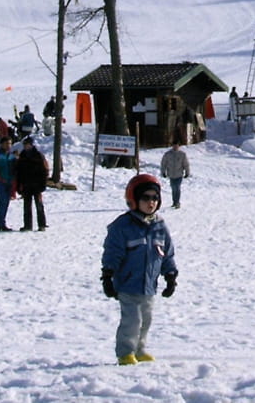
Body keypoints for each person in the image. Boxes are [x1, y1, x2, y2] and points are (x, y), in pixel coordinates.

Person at [102, 174, 179, 365]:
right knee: (132, 320)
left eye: (155, 198)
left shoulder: (159, 226)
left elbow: (166, 253)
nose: (151, 202)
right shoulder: (123, 226)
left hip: (149, 285)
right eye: (146, 198)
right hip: (128, 283)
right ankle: (125, 352)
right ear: (134, 199)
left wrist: (170, 276)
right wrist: (108, 275)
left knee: (146, 320)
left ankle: (139, 348)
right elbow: (113, 252)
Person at [16, 137, 49, 231]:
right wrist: (19, 185)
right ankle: (27, 225)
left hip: (37, 184)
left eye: (27, 144)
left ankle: (42, 225)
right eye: (24, 145)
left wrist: (43, 183)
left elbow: (45, 170)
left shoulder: (38, 155)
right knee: (27, 206)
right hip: (26, 184)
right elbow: (19, 171)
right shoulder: (22, 155)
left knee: (39, 205)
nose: (25, 146)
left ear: (31, 145)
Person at [160, 141, 190, 209]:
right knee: (173, 188)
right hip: (171, 175)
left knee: (177, 187)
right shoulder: (168, 154)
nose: (175, 147)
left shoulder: (182, 154)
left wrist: (187, 172)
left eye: (176, 145)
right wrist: (163, 172)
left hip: (179, 174)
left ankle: (177, 202)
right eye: (174, 145)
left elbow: (186, 164)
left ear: (179, 146)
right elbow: (163, 163)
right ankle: (174, 202)